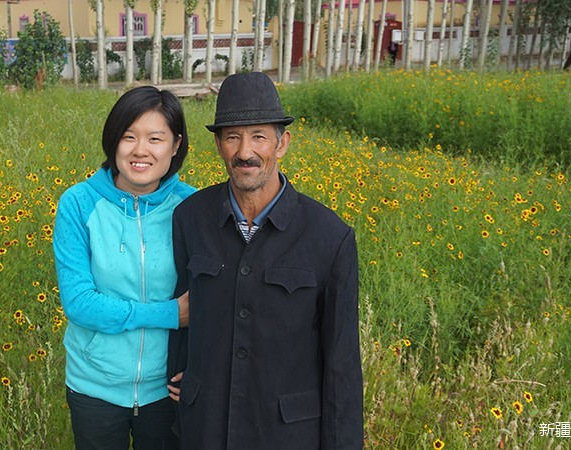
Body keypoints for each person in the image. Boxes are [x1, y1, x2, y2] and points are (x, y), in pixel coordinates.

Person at [167, 72, 363, 449]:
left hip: (287, 435)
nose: (245, 152)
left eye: (258, 136)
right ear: (218, 144)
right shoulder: (190, 218)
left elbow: (342, 366)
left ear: (282, 142)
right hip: (204, 428)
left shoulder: (330, 237)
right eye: (232, 137)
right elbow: (183, 319)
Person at [54, 86, 195, 450]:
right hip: (93, 387)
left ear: (175, 145)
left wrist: (201, 365)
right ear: (113, 140)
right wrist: (168, 313)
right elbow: (80, 303)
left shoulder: (194, 208)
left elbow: (212, 300)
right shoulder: (78, 204)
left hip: (168, 390)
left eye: (155, 138)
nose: (140, 150)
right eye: (128, 136)